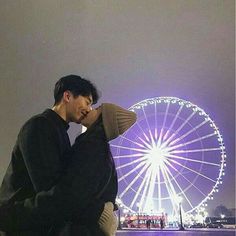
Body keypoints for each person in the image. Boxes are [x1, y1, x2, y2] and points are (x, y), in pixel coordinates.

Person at [0, 103, 136, 236]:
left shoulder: (91, 147)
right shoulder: (100, 151)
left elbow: (70, 196)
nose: (90, 109)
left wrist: (10, 215)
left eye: (97, 108)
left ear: (104, 120)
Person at [0, 74, 100, 235]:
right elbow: (49, 186)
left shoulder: (57, 130)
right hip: (20, 225)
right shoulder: (39, 127)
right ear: (67, 96)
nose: (89, 109)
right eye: (87, 102)